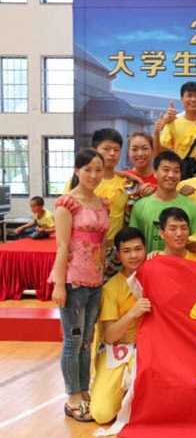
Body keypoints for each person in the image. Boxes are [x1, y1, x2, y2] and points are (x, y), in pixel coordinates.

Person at [49, 150, 110, 422]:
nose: (94, 175)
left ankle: (84, 390)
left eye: (98, 170)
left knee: (87, 340)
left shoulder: (103, 203)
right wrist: (59, 285)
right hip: (73, 282)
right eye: (88, 169)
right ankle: (73, 396)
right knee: (73, 340)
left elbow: (103, 244)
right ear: (76, 170)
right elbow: (62, 246)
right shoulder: (67, 204)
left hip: (95, 282)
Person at [90, 227, 150, 425]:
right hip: (120, 350)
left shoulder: (157, 276)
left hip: (151, 350)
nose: (134, 256)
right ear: (118, 255)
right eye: (127, 251)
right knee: (102, 413)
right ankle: (123, 391)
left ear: (146, 249)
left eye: (138, 249)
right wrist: (132, 314)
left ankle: (132, 393)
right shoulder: (111, 288)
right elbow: (110, 336)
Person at [64, 128, 137, 247]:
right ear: (94, 151)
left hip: (116, 248)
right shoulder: (79, 182)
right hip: (82, 248)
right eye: (106, 149)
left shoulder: (126, 184)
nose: (112, 154)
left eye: (116, 150)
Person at [129, 151, 196, 253]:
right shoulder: (140, 206)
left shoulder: (192, 207)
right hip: (150, 262)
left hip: (182, 263)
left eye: (176, 171)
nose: (171, 175)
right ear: (155, 173)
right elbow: (133, 243)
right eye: (166, 170)